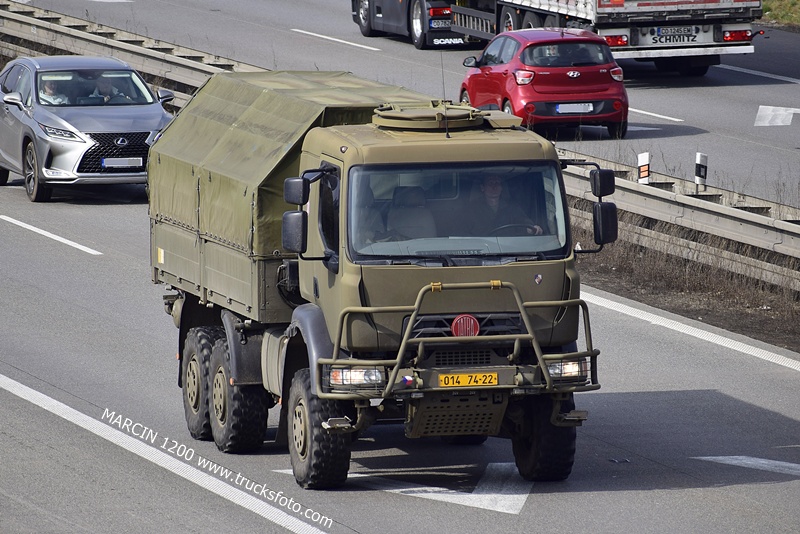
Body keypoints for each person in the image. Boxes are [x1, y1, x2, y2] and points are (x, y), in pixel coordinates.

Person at [467, 175, 543, 236]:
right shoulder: (470, 209)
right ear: (482, 187)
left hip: (510, 250)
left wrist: (533, 228)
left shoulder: (512, 208)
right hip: (481, 251)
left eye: (497, 183)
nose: (494, 186)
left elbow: (524, 222)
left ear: (501, 188)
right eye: (490, 183)